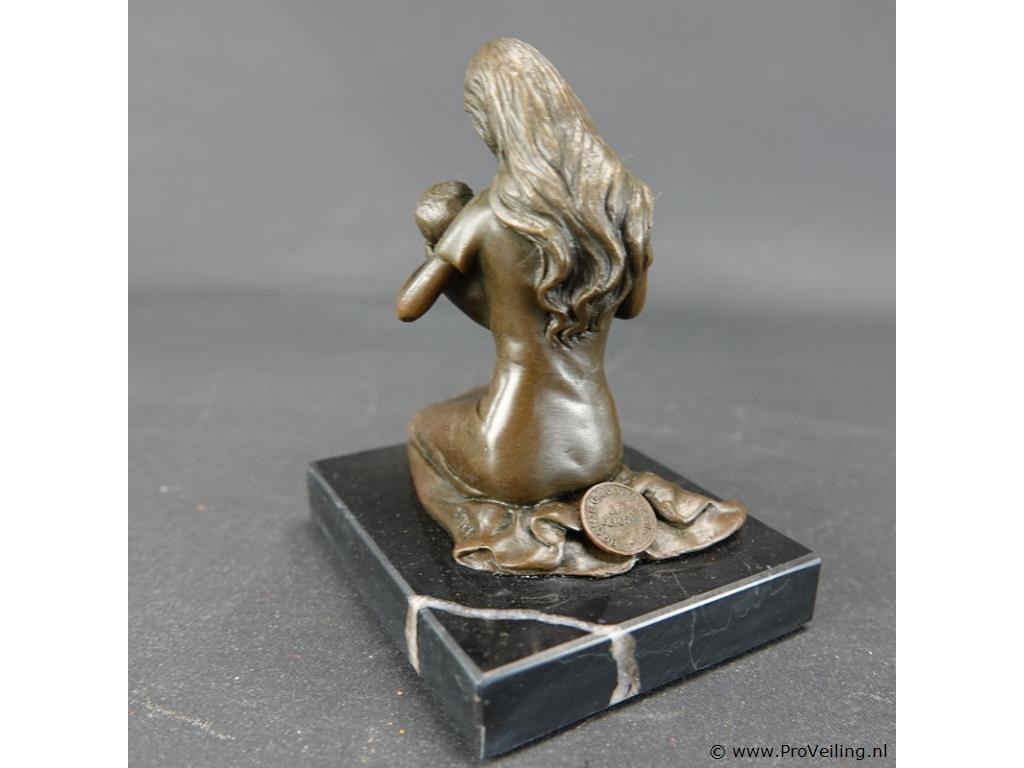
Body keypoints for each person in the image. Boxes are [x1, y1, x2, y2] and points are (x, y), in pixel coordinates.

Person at [396, 38, 743, 576]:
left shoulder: (489, 213)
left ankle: (498, 524)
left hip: (514, 459)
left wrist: (438, 245)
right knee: (471, 398)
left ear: (495, 118)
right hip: (600, 443)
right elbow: (629, 309)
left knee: (425, 424)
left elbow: (409, 305)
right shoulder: (625, 201)